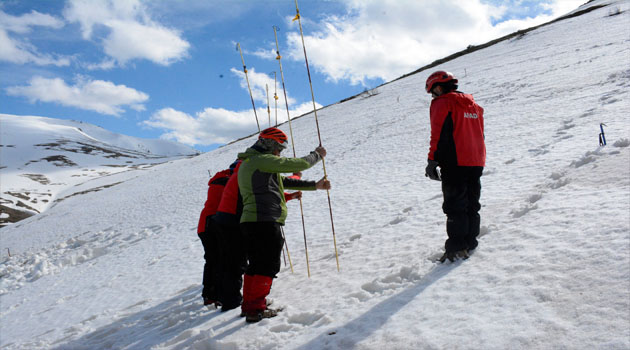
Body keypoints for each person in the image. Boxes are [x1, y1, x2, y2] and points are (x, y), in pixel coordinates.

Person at [237, 127, 330, 323]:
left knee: (256, 264)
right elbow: (296, 164)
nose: (280, 153)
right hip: (263, 220)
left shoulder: (253, 162)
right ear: (269, 144)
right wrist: (317, 155)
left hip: (254, 221)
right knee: (267, 265)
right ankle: (256, 309)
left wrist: (315, 185)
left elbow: (282, 181)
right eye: (279, 148)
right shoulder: (260, 160)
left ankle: (251, 305)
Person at [424, 71, 486, 263]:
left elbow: (438, 133)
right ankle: (470, 243)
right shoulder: (475, 106)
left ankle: (456, 248)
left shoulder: (442, 103)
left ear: (438, 87)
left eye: (432, 93)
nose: (433, 97)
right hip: (476, 160)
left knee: (455, 206)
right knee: (471, 204)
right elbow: (481, 134)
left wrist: (432, 160)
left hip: (455, 162)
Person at [197, 166, 233, 307]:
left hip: (204, 223)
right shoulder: (231, 181)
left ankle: (210, 294)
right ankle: (215, 294)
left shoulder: (217, 179)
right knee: (219, 258)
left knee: (212, 259)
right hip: (217, 221)